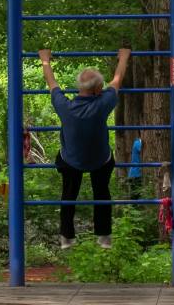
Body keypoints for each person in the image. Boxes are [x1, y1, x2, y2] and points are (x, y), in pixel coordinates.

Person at [38, 46, 131, 249]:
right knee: (102, 192)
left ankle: (66, 236)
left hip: (71, 159)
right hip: (100, 160)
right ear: (98, 90)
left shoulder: (65, 106)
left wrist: (45, 59)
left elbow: (51, 83)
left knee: (68, 194)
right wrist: (123, 57)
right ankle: (104, 235)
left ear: (79, 86)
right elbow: (117, 80)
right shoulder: (103, 103)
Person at [127, 134, 143, 199]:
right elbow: (141, 149)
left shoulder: (137, 142)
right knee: (135, 195)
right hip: (135, 173)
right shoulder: (137, 142)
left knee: (137, 194)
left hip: (136, 173)